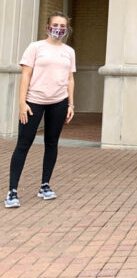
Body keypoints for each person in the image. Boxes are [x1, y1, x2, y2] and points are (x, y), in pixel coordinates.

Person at [5, 12, 76, 208]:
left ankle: (45, 185)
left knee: (51, 143)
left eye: (63, 25)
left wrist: (70, 104)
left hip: (59, 102)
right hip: (34, 101)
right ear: (47, 27)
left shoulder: (69, 51)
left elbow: (70, 79)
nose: (59, 28)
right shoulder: (35, 47)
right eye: (55, 24)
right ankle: (12, 191)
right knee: (23, 144)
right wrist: (22, 103)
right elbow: (25, 76)